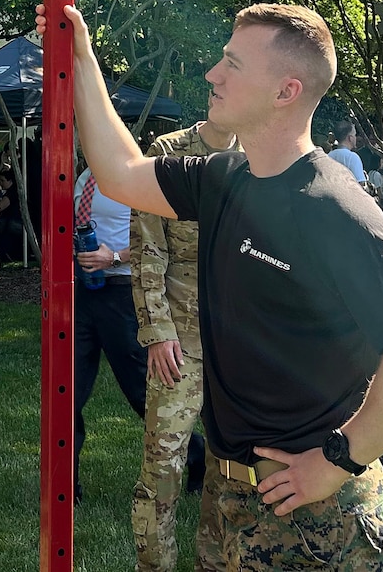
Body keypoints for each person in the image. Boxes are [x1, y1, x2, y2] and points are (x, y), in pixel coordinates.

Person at [36, 1, 383, 570]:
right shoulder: (223, 178)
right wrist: (82, 57)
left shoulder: (330, 205)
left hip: (320, 526)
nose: (213, 74)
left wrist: (340, 457)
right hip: (231, 498)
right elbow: (119, 172)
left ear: (286, 91)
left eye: (232, 64)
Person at [130, 121, 234, 572]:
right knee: (163, 470)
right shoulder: (170, 152)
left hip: (237, 347)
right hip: (181, 342)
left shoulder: (260, 153)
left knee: (230, 471)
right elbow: (148, 248)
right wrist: (158, 331)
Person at [71, 164, 153, 504]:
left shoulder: (132, 177)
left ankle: (194, 455)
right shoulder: (83, 179)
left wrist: (114, 257)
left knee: (140, 392)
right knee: (68, 391)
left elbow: (154, 242)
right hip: (83, 292)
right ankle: (66, 484)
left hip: (121, 292)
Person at [327, 119, 366, 184]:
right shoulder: (353, 157)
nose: (356, 137)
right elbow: (361, 184)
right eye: (355, 135)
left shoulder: (328, 156)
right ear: (350, 138)